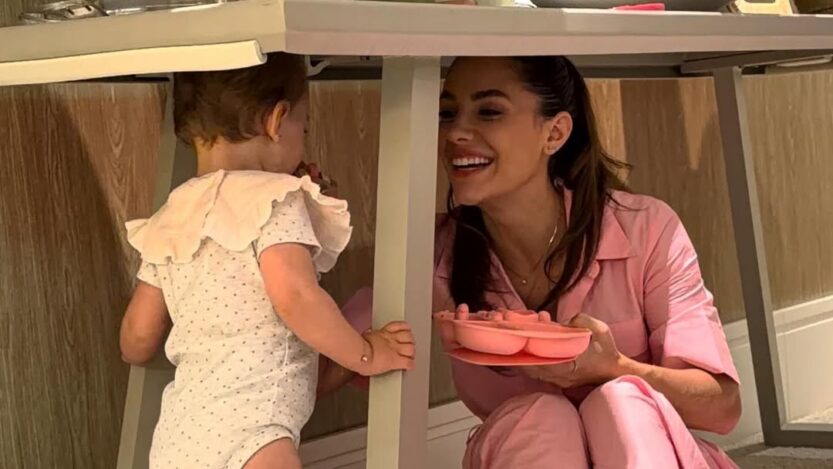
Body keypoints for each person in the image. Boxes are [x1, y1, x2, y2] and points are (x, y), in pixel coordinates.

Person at [339, 55, 742, 468]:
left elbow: (723, 407)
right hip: (528, 452)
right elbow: (330, 356)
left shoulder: (646, 228)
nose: (455, 132)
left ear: (555, 133)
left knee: (623, 400)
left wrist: (614, 368)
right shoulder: (434, 249)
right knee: (537, 418)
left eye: (489, 111)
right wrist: (302, 231)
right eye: (447, 113)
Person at [118, 53, 415, 469]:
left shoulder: (171, 218)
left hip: (178, 439)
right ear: (277, 121)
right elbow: (295, 296)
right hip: (255, 432)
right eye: (303, 129)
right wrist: (366, 353)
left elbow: (136, 340)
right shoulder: (276, 201)